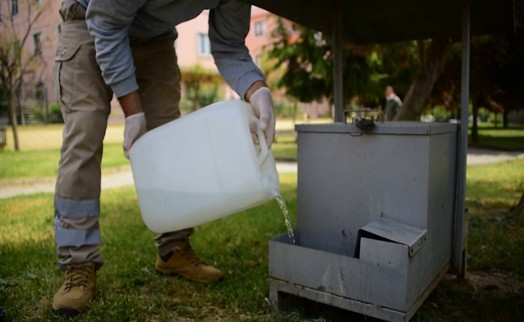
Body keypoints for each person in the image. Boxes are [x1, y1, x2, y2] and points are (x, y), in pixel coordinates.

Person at [52, 0, 276, 315]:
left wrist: (258, 91)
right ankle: (78, 261)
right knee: (84, 134)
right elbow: (106, 22)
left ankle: (173, 249)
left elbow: (229, 45)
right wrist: (132, 111)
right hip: (91, 22)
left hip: (153, 38)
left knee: (168, 134)